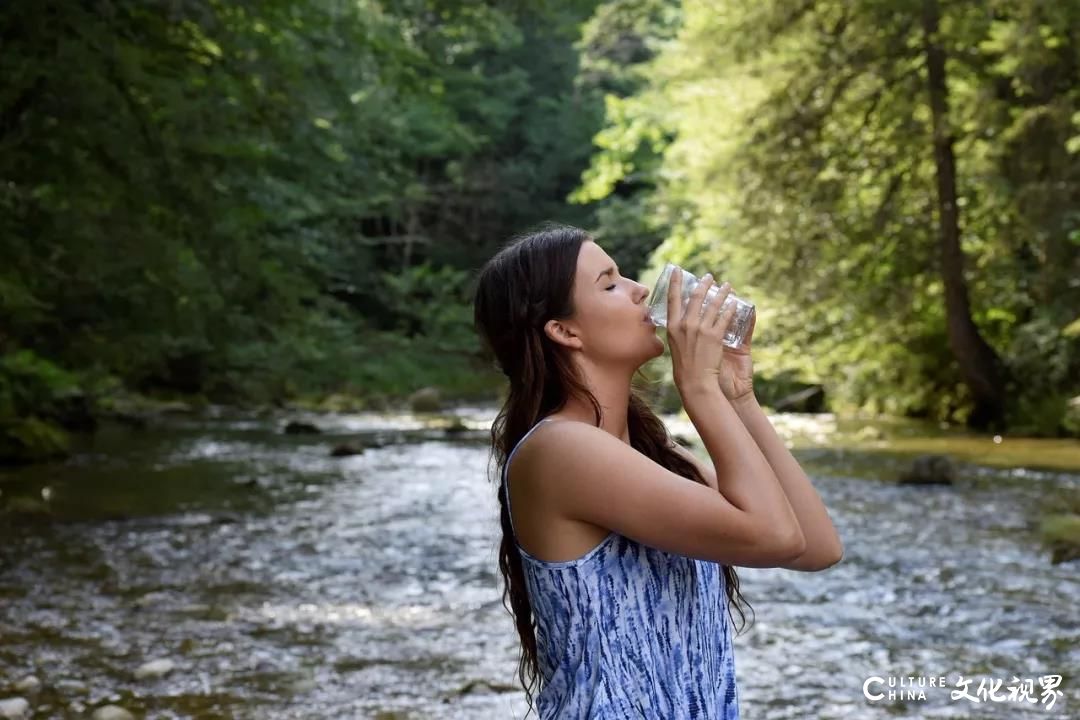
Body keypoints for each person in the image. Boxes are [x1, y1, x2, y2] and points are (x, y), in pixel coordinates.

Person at [472, 223, 843, 719]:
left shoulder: (653, 452)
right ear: (565, 331)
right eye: (609, 283)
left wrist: (739, 397)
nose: (640, 290)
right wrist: (700, 389)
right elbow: (773, 536)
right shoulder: (561, 450)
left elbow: (815, 546)